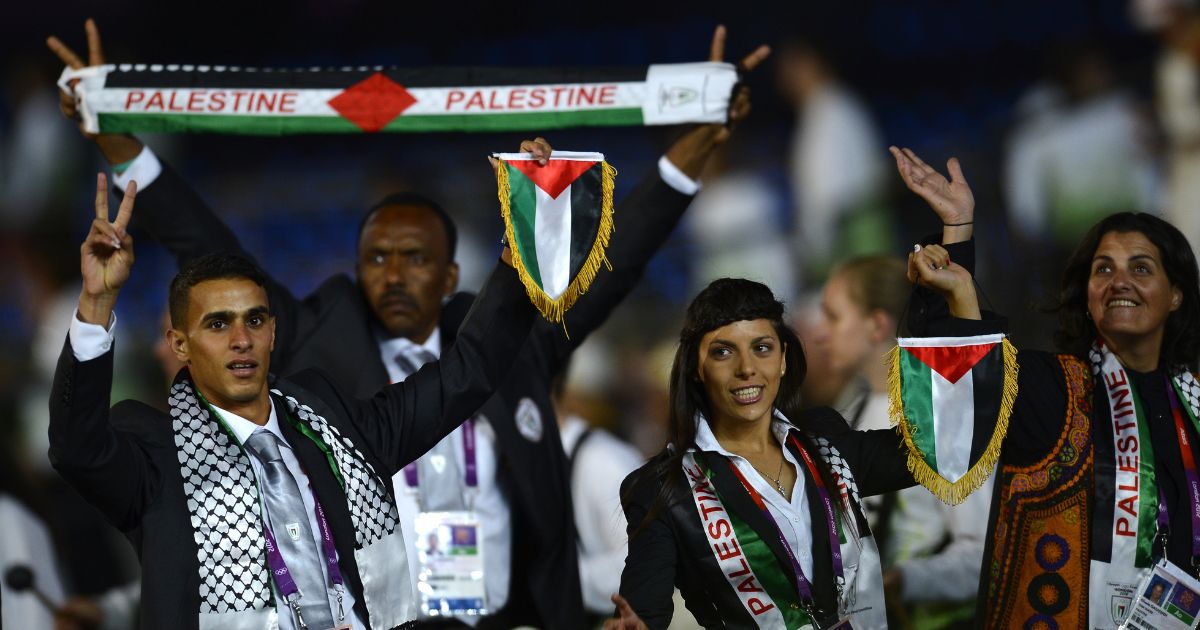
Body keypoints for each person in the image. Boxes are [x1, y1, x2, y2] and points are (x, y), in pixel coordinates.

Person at [48, 19, 769, 629]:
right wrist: (116, 137)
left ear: (451, 275)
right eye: (376, 259)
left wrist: (692, 143)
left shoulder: (503, 350)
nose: (392, 274)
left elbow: (616, 260)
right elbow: (202, 246)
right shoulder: (312, 360)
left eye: (414, 258)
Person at [49, 172, 537, 628]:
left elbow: (463, 375)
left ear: (273, 332)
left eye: (255, 320)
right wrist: (97, 304)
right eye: (218, 324)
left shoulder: (333, 424)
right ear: (180, 344)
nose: (241, 338)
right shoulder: (156, 455)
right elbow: (77, 449)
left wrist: (527, 237)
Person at [606, 241, 998, 629]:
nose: (747, 368)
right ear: (696, 368)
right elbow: (642, 615)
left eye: (762, 348)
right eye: (723, 352)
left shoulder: (824, 441)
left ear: (782, 361)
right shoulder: (662, 489)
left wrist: (959, 296)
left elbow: (943, 446)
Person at [891, 145, 1200, 629]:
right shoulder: (1054, 389)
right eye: (1104, 269)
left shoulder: (1196, 405)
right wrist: (957, 235)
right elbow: (961, 389)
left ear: (1176, 294)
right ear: (1088, 293)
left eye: (1141, 268)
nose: (1120, 281)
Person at [811, 256, 990, 629]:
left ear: (877, 325)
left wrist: (904, 580)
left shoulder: (941, 414)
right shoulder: (852, 410)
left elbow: (986, 553)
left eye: (833, 316)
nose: (820, 333)